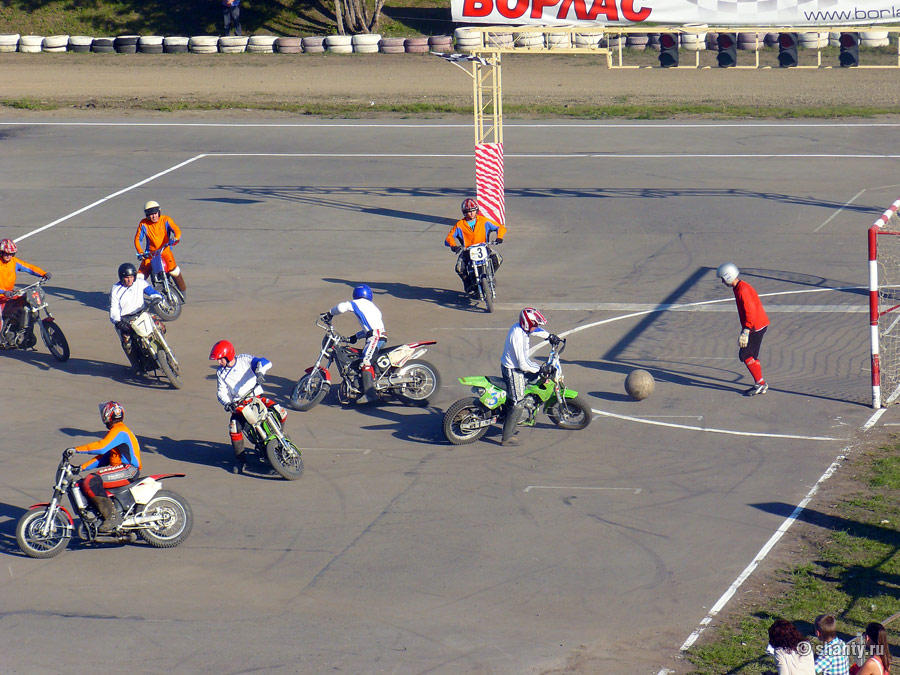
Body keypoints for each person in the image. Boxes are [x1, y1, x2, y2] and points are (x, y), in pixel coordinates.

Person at [210, 340, 286, 475]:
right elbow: (221, 392)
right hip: (239, 405)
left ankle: (280, 436)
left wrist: (260, 372)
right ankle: (241, 461)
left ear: (228, 356)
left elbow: (264, 361)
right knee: (234, 427)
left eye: (220, 359)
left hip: (256, 397)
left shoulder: (244, 360)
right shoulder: (220, 373)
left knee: (281, 411)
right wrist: (227, 403)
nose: (219, 362)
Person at [68, 401, 142, 533]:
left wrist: (75, 450)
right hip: (123, 469)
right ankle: (101, 513)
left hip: (128, 469)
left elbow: (101, 447)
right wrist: (81, 468)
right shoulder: (118, 431)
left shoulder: (120, 430)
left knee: (91, 481)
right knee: (85, 481)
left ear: (107, 415)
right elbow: (106, 457)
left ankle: (112, 517)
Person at [500, 307, 560, 446]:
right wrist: (540, 369)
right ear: (527, 324)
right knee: (518, 402)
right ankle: (507, 437)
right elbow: (523, 364)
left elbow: (536, 330)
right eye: (534, 324)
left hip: (517, 365)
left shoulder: (523, 328)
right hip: (513, 370)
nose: (536, 327)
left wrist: (549, 336)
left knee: (533, 380)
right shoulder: (518, 336)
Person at [320, 284, 385, 404]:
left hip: (375, 336)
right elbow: (369, 328)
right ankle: (364, 384)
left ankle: (370, 394)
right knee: (361, 359)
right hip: (375, 335)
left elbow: (341, 307)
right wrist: (353, 337)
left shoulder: (358, 303)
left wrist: (329, 314)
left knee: (365, 361)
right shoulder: (372, 307)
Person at [717, 262, 770, 396]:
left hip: (755, 327)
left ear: (728, 276)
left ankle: (761, 384)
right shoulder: (740, 287)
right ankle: (761, 383)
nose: (722, 281)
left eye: (723, 278)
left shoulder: (742, 290)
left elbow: (750, 311)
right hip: (758, 325)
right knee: (751, 355)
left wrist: (746, 331)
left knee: (745, 355)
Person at [445, 198, 506, 295]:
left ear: (476, 210)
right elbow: (449, 237)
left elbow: (500, 227)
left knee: (498, 259)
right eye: (468, 211)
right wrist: (454, 246)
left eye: (473, 211)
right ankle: (468, 284)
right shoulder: (460, 225)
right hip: (467, 250)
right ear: (464, 213)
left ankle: (490, 275)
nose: (471, 213)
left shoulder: (484, 221)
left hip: (484, 248)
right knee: (459, 268)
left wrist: (499, 237)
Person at [109, 261, 163, 372]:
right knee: (127, 342)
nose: (129, 280)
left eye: (131, 277)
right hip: (125, 319)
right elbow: (114, 309)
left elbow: (151, 292)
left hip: (142, 313)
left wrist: (157, 297)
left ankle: (162, 348)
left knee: (160, 326)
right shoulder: (115, 290)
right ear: (121, 278)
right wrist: (118, 322)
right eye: (126, 278)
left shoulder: (140, 283)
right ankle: (136, 364)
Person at [0, 237, 51, 341]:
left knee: (26, 304)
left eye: (11, 254)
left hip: (9, 295)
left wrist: (43, 274)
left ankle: (23, 333)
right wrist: (3, 292)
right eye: (6, 253)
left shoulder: (14, 262)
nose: (9, 256)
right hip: (2, 295)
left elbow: (29, 268)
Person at [134, 200, 186, 296]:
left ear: (159, 212)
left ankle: (183, 292)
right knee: (139, 278)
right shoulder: (143, 224)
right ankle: (141, 298)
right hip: (150, 253)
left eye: (155, 213)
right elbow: (138, 239)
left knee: (174, 271)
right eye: (150, 215)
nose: (153, 216)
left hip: (165, 251)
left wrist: (176, 238)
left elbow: (176, 230)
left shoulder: (166, 220)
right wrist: (140, 252)